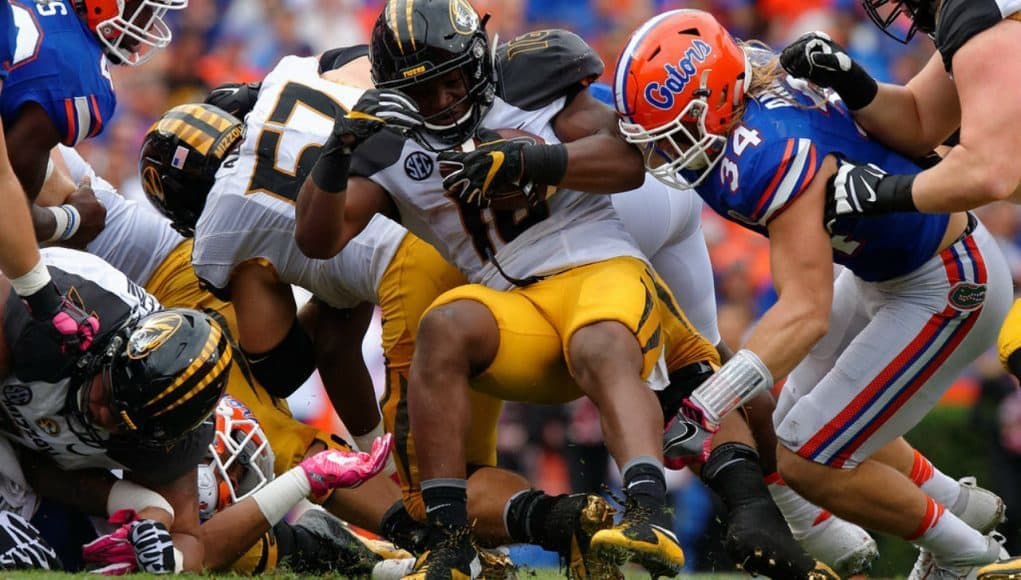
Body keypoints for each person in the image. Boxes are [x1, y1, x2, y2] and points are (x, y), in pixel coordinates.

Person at [291, 1, 841, 576]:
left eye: (450, 83)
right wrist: (337, 152)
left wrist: (534, 161)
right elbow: (316, 239)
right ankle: (448, 540)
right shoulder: (386, 143)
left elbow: (631, 161)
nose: (440, 103)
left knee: (668, 360)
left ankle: (656, 511)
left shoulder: (528, 77)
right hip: (517, 298)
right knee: (444, 325)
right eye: (423, 92)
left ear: (476, 60)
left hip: (609, 250)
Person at [612, 8, 1012, 578]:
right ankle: (958, 506)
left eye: (677, 131)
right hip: (892, 272)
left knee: (807, 459)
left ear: (718, 98)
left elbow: (804, 312)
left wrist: (708, 404)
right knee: (800, 419)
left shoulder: (767, 150)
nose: (668, 155)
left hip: (945, 282)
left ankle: (973, 559)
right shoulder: (749, 114)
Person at [40, 143, 415, 548]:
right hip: (115, 323)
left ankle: (425, 537)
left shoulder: (22, 132)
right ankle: (334, 547)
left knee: (263, 444)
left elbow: (83, 214)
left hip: (165, 292)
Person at [0, 247, 231, 572]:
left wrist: (169, 557)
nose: (102, 413)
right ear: (115, 349)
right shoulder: (57, 312)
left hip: (26, 471)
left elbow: (188, 539)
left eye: (124, 423)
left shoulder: (174, 444)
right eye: (109, 392)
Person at [83, 394, 393, 574]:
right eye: (232, 468)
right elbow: (204, 554)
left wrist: (391, 567)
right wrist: (304, 478)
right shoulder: (92, 471)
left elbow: (313, 545)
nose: (234, 482)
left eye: (239, 477)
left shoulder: (236, 539)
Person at [778, 0, 1021, 216]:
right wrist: (849, 80)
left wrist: (884, 192)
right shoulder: (982, 17)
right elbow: (920, 120)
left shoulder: (978, 12)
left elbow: (990, 172)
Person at [2, 0, 184, 243]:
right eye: (145, 9)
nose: (148, 25)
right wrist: (72, 219)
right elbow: (8, 216)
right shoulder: (78, 78)